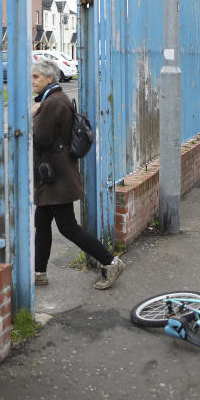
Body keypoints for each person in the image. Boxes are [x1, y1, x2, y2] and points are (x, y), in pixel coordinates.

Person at [31, 59, 125, 290]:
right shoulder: (56, 99)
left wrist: (32, 115)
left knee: (68, 227)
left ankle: (111, 262)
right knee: (42, 223)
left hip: (57, 176)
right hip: (54, 174)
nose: (32, 81)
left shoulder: (52, 103)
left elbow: (40, 138)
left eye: (36, 77)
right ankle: (39, 272)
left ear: (50, 78)